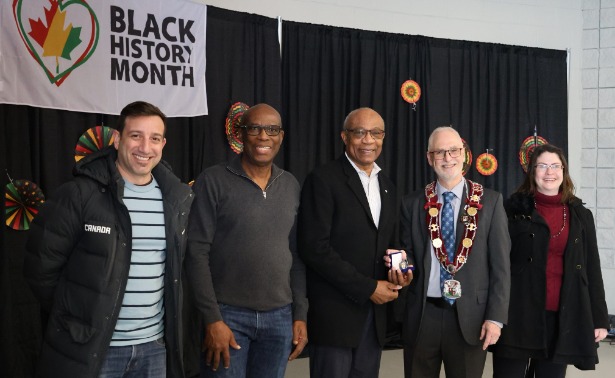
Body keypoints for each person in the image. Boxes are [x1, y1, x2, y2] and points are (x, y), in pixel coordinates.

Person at [23, 101, 194, 377]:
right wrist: (79, 321)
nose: (145, 147)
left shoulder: (176, 199)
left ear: (163, 143)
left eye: (154, 138)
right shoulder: (79, 195)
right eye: (135, 135)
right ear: (117, 139)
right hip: (94, 349)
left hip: (153, 348)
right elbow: (40, 268)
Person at [185, 103, 308, 378]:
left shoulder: (290, 185)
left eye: (272, 129)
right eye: (255, 128)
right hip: (227, 316)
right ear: (241, 134)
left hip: (279, 317)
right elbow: (196, 252)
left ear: (281, 136)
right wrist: (212, 319)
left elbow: (296, 255)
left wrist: (299, 313)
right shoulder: (213, 180)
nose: (263, 136)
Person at [298, 107, 410, 377]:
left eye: (376, 133)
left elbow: (394, 243)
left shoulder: (388, 186)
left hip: (374, 319)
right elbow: (314, 248)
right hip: (335, 318)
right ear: (344, 137)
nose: (368, 140)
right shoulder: (323, 180)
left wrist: (403, 271)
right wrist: (368, 287)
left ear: (383, 137)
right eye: (359, 132)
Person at [397, 126, 511, 378]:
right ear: (429, 158)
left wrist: (495, 318)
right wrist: (401, 265)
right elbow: (410, 257)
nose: (448, 158)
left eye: (453, 150)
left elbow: (501, 267)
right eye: (440, 152)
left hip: (471, 317)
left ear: (464, 154)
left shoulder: (490, 202)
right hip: (423, 316)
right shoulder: (412, 203)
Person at [491, 144, 609, 377]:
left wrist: (599, 319)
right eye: (542, 166)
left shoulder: (580, 214)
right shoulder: (511, 210)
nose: (549, 172)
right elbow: (497, 264)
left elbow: (592, 269)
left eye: (555, 166)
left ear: (563, 171)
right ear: (532, 171)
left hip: (560, 317)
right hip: (518, 315)